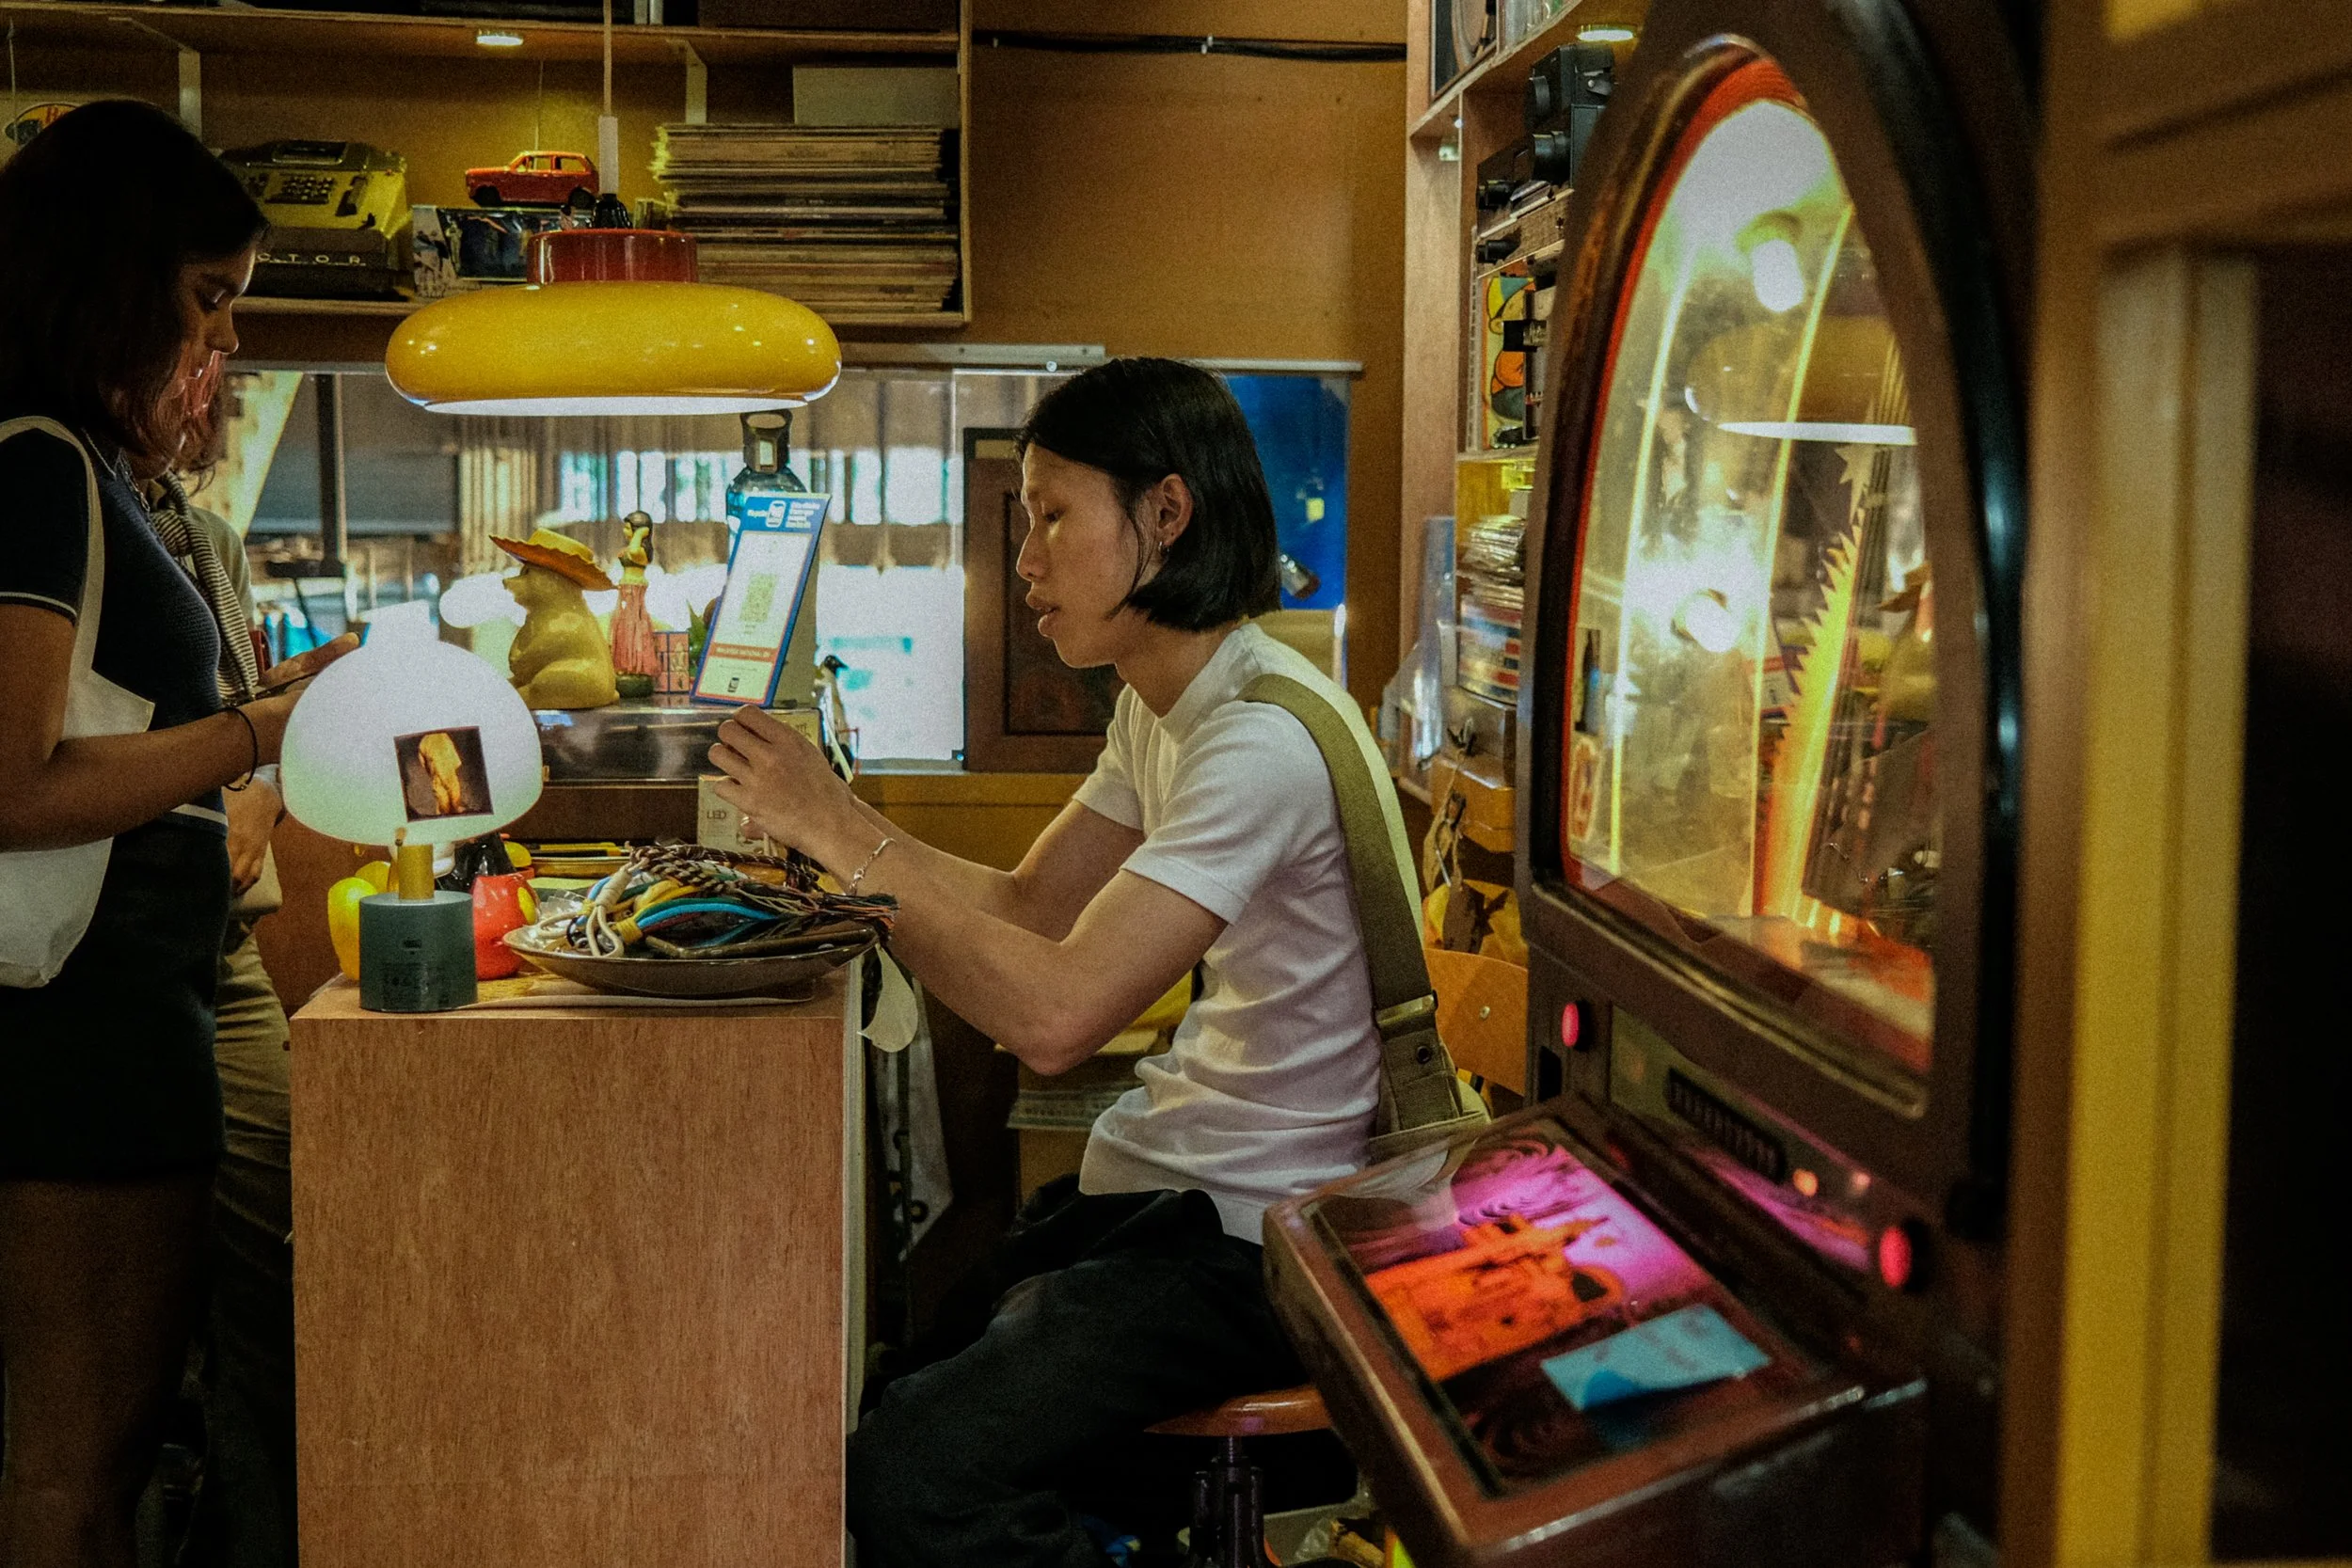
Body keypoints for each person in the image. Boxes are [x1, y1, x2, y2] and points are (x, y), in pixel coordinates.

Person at [709, 356, 1403, 1566]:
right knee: (889, 1394)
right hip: (1162, 1201)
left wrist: (839, 829)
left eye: (1050, 514)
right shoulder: (1165, 704)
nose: (1023, 555)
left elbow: (1058, 1014)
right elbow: (1032, 906)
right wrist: (843, 843)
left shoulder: (1258, 741)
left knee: (911, 1477)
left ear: (1166, 515)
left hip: (1256, 1243)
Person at [0, 101, 349, 1568]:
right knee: (77, 1464)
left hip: (134, 1012)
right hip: (81, 1033)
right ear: (114, 275)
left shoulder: (85, 468)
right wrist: (262, 725)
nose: (221, 344)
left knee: (107, 1447)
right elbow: (13, 784)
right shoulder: (38, 465)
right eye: (209, 297)